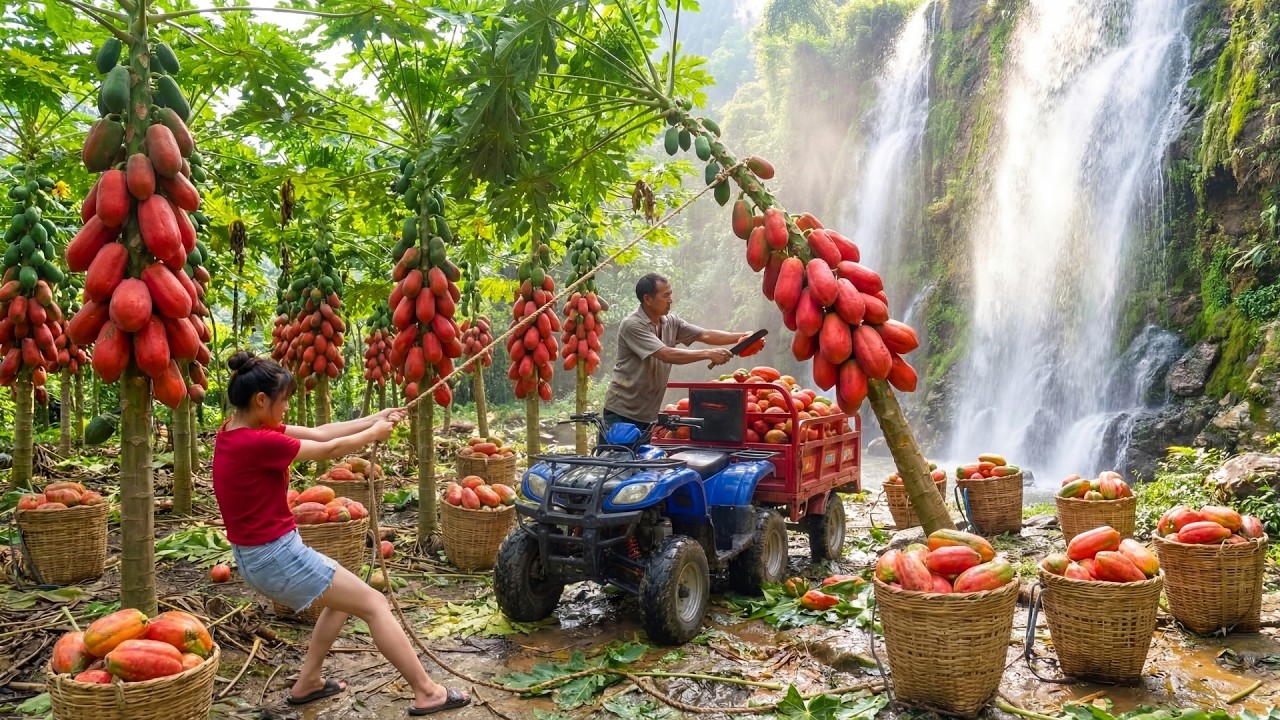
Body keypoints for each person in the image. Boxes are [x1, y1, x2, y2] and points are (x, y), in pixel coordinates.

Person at [211, 351, 468, 716]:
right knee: (375, 605)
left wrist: (375, 419)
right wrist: (373, 435)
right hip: (276, 557)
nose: (286, 409)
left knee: (341, 600)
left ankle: (309, 682)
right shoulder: (259, 443)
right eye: (283, 401)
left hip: (263, 554)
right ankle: (428, 692)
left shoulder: (236, 430)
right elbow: (329, 449)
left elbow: (320, 432)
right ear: (261, 400)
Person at [602, 273, 753, 429]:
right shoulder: (633, 325)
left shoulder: (671, 321)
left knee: (641, 454)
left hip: (647, 414)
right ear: (647, 299)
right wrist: (708, 353)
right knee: (620, 454)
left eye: (671, 294)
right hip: (621, 413)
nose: (670, 300)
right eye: (665, 295)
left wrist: (743, 337)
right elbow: (665, 354)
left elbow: (705, 334)